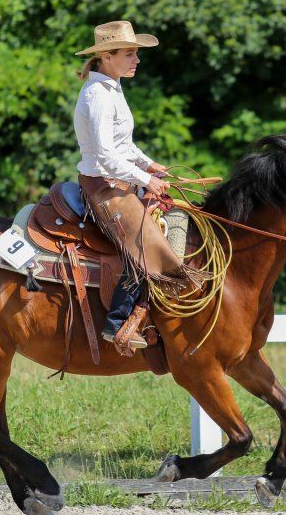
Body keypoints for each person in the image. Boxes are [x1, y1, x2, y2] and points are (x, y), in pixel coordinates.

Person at [73, 21, 210, 352]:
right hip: (103, 187)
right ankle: (117, 322)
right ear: (107, 56)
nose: (137, 60)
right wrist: (145, 179)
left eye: (136, 53)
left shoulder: (112, 88)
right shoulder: (98, 96)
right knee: (143, 243)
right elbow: (106, 155)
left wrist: (148, 165)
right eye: (130, 54)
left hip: (119, 179)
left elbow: (124, 145)